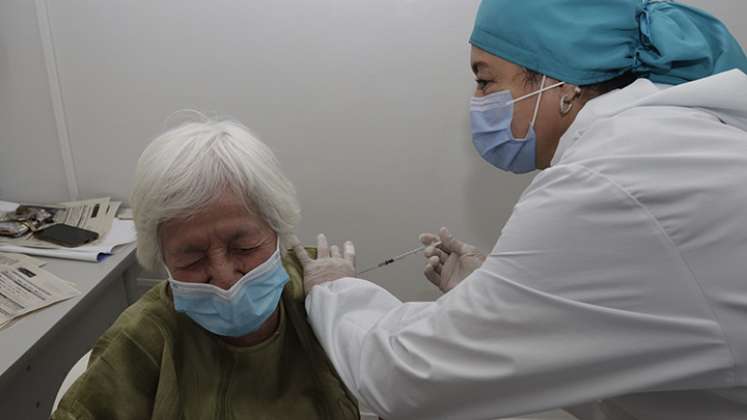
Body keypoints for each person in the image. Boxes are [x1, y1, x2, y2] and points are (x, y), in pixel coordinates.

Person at [291, 1, 747, 419]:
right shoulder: (668, 145)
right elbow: (642, 378)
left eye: (486, 80)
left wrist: (336, 293)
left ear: (563, 83)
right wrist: (497, 301)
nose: (478, 101)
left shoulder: (604, 180)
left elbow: (410, 379)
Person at [52, 118, 359, 419]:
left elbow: (395, 390)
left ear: (279, 232)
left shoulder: (316, 291)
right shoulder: (142, 341)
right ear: (164, 261)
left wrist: (353, 311)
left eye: (244, 247)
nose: (224, 278)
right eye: (192, 259)